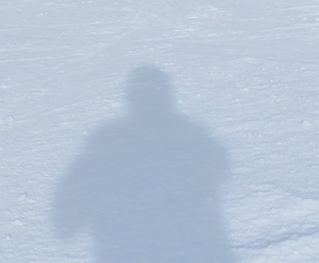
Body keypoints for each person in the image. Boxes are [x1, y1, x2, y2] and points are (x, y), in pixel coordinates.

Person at [53, 66, 234, 262]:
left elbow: (216, 163)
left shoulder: (110, 136)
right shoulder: (188, 130)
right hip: (155, 235)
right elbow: (218, 164)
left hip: (140, 236)